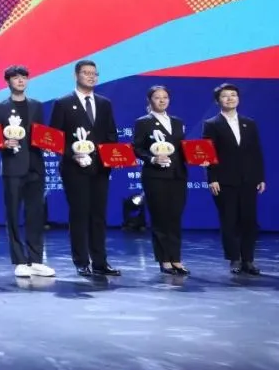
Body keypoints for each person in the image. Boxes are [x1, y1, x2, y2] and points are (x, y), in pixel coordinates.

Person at [48, 60, 120, 276]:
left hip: (100, 168)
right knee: (79, 214)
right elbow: (54, 138)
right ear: (76, 75)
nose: (90, 76)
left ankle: (100, 261)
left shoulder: (104, 103)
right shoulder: (63, 103)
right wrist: (74, 154)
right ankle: (81, 261)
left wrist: (108, 157)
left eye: (94, 73)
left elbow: (111, 134)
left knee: (98, 215)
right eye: (86, 72)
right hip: (74, 168)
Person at [0, 66, 56, 278]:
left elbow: (42, 133)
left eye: (24, 77)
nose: (20, 81)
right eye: (16, 78)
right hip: (12, 167)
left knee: (36, 215)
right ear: (8, 82)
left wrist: (48, 144)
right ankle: (19, 260)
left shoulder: (36, 105)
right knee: (13, 214)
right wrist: (3, 143)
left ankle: (36, 260)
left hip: (36, 166)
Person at [202, 83, 266, 275]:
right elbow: (208, 153)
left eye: (233, 95)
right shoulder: (212, 124)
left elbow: (255, 152)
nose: (230, 98)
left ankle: (248, 259)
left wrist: (260, 177)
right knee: (229, 220)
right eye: (225, 96)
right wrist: (212, 178)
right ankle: (234, 259)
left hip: (248, 179)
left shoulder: (249, 123)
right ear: (218, 101)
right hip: (224, 180)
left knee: (249, 221)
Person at [131, 86, 189, 275]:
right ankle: (165, 260)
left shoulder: (177, 122)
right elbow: (137, 148)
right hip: (155, 176)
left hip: (177, 175)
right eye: (157, 97)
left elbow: (182, 149)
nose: (162, 100)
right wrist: (152, 159)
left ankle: (176, 259)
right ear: (150, 101)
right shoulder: (143, 122)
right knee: (160, 218)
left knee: (175, 217)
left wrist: (199, 156)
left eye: (165, 97)